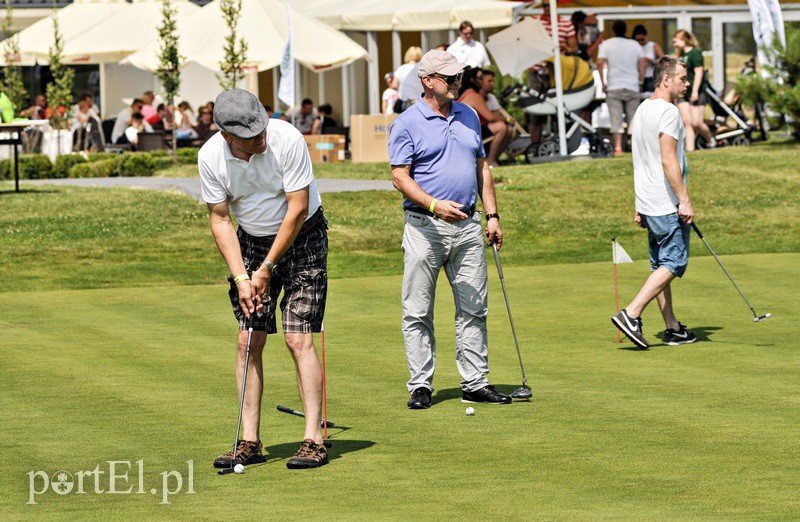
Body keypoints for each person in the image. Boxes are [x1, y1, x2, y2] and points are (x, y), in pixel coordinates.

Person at [199, 88, 330, 469]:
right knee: (248, 338)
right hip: (252, 241)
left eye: (261, 127)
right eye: (250, 134)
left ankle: (313, 440)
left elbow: (298, 208)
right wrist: (242, 276)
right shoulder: (210, 157)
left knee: (296, 336)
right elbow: (221, 218)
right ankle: (250, 441)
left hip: (303, 236)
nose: (261, 136)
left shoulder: (287, 138)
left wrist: (267, 269)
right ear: (226, 135)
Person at [388, 50, 511, 410]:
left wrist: (492, 215)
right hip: (425, 225)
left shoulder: (469, 115)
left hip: (470, 226)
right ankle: (421, 385)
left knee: (474, 308)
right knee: (418, 310)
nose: (458, 82)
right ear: (428, 81)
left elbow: (482, 167)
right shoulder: (407, 122)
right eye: (450, 77)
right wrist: (432, 204)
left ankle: (475, 382)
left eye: (459, 76)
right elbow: (399, 176)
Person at [612, 56, 697, 349]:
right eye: (682, 78)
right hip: (665, 204)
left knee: (660, 266)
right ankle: (631, 313)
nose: (686, 83)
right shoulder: (669, 112)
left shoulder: (643, 108)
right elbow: (667, 159)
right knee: (673, 263)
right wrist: (684, 200)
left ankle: (672, 327)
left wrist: (639, 204)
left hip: (649, 203)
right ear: (666, 80)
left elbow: (640, 160)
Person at [528, 2, 578, 145]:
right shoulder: (535, 22)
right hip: (536, 72)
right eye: (544, 5)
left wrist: (565, 47)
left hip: (556, 73)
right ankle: (535, 146)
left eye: (549, 5)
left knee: (558, 111)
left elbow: (574, 49)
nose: (546, 8)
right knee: (535, 113)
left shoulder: (565, 24)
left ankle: (558, 143)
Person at [596, 20, 646, 154]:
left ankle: (618, 148)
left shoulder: (606, 44)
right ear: (625, 30)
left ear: (613, 30)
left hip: (614, 86)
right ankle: (635, 148)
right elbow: (643, 63)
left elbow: (599, 63)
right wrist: (640, 81)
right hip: (632, 86)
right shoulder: (634, 45)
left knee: (615, 119)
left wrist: (603, 83)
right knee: (634, 118)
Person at [457, 68, 512, 168]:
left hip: (468, 130)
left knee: (506, 128)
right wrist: (507, 119)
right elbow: (490, 117)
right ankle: (490, 161)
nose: (483, 80)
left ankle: (492, 159)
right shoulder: (473, 95)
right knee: (501, 127)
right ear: (473, 80)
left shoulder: (467, 93)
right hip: (469, 132)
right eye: (481, 78)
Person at [673, 29, 714, 151]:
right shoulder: (681, 55)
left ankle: (711, 141)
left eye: (676, 41)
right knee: (687, 123)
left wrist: (695, 91)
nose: (674, 44)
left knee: (696, 122)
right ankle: (690, 150)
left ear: (683, 40)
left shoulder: (695, 53)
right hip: (683, 93)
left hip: (696, 93)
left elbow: (699, 73)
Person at [632, 25, 664, 98]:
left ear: (646, 36)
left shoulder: (652, 45)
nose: (640, 42)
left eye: (642, 39)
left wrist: (651, 60)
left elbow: (664, 61)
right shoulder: (634, 47)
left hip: (650, 78)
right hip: (637, 78)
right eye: (638, 40)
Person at [394, 46, 423, 113]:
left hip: (405, 101)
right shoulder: (421, 68)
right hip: (419, 101)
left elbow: (394, 85)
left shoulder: (401, 68)